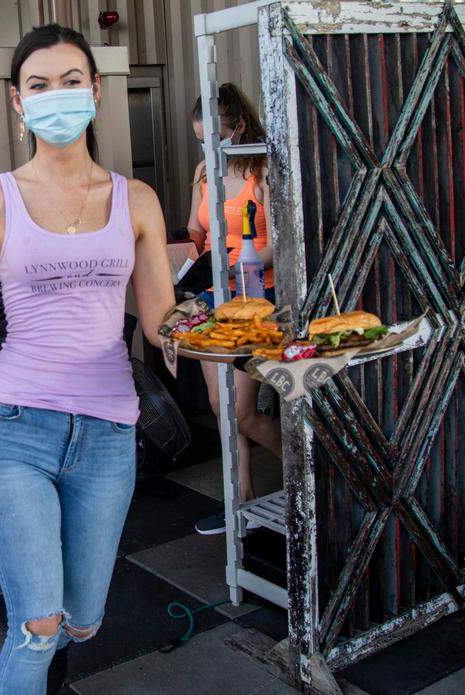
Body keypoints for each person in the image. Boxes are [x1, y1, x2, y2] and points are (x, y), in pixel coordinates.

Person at [0, 24, 173, 695]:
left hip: (109, 434)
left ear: (94, 90)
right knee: (37, 624)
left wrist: (229, 340)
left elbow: (162, 319)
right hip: (16, 430)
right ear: (17, 102)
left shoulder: (136, 199)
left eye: (70, 81)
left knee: (82, 621)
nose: (55, 96)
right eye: (38, 85)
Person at [184, 83, 282, 535]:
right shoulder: (206, 174)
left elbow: (285, 241)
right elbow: (196, 231)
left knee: (243, 412)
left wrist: (243, 257)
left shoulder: (263, 170)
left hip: (258, 295)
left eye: (214, 138)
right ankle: (240, 502)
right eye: (200, 139)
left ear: (238, 128)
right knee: (222, 409)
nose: (207, 147)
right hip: (215, 296)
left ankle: (315, 474)